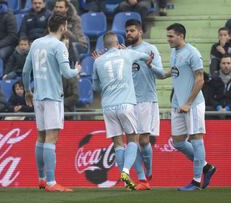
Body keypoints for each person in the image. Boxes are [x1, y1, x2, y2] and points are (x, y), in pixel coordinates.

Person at [22, 13, 81, 192]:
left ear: (49, 26)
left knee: (40, 136)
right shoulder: (59, 45)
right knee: (51, 138)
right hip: (53, 97)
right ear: (63, 27)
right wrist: (77, 69)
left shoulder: (36, 43)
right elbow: (67, 73)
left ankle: (41, 179)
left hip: (38, 96)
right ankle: (51, 182)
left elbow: (25, 72)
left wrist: (27, 91)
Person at [92, 31, 152, 191]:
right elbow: (146, 57)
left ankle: (126, 182)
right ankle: (125, 171)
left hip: (108, 107)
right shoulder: (127, 54)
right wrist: (148, 59)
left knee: (118, 143)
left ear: (104, 46)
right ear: (118, 43)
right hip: (125, 103)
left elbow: (95, 87)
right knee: (133, 138)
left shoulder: (98, 61)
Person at [163, 23, 216, 191]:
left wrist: (188, 103)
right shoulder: (173, 52)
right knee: (178, 142)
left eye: (171, 36)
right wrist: (152, 68)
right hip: (178, 104)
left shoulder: (192, 53)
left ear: (181, 36)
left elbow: (200, 79)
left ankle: (195, 182)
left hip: (192, 105)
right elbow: (172, 72)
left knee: (196, 140)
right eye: (168, 36)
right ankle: (207, 167)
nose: (168, 39)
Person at [125, 19, 164, 190]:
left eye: (132, 30)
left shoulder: (150, 49)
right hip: (128, 101)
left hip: (146, 99)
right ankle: (142, 179)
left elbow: (162, 73)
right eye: (127, 31)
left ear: (140, 32)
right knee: (132, 141)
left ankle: (149, 170)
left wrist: (151, 65)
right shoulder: (125, 52)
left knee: (143, 140)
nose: (129, 34)